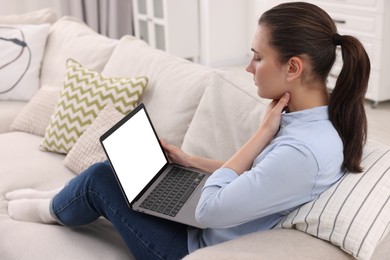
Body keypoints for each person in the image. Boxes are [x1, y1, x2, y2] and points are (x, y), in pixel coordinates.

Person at [6, 2, 370, 259]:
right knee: (137, 173)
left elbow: (210, 210)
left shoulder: (302, 151)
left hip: (190, 247)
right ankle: (61, 198)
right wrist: (189, 160)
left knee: (101, 177)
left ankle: (52, 209)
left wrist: (261, 135)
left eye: (258, 57)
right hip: (209, 223)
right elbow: (256, 180)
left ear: (293, 67)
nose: (248, 67)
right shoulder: (315, 117)